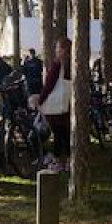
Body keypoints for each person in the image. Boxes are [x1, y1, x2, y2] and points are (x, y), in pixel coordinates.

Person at [38, 37, 72, 172]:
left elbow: (49, 85)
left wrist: (40, 100)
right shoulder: (71, 65)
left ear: (63, 50)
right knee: (66, 133)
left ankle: (58, 161)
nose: (56, 50)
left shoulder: (57, 65)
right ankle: (69, 160)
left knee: (58, 134)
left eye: (58, 48)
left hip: (55, 107)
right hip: (66, 105)